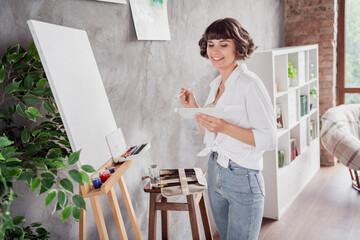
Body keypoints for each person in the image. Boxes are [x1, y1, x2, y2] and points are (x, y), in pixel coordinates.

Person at [179, 18, 277, 240]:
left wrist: (225, 127)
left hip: (243, 177)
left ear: (237, 46)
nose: (215, 50)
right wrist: (194, 107)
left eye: (223, 44)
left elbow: (270, 139)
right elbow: (211, 136)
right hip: (215, 171)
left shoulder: (250, 84)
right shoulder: (216, 86)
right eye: (211, 44)